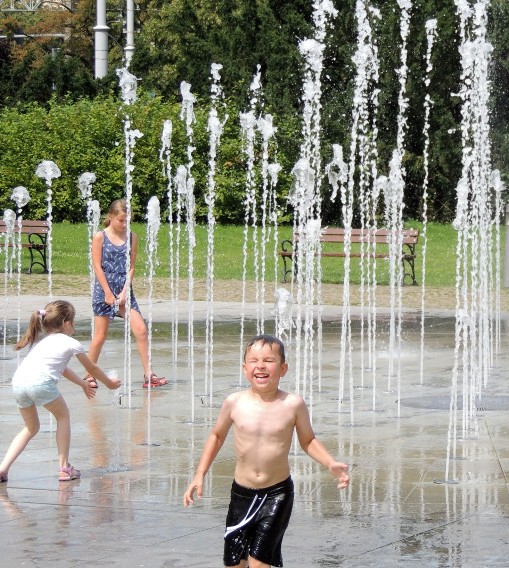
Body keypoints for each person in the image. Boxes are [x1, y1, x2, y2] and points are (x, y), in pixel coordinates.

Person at [183, 334, 349, 568]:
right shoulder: (235, 402)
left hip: (277, 493)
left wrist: (330, 463)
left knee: (260, 563)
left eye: (269, 360)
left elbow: (308, 440)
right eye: (254, 360)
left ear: (283, 369)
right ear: (244, 368)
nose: (260, 365)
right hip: (241, 494)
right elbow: (217, 436)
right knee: (234, 564)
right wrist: (199, 473)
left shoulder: (293, 404)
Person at [0, 300, 122, 483]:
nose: (73, 326)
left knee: (30, 428)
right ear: (66, 324)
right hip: (40, 383)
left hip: (18, 383)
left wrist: (82, 384)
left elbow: (62, 369)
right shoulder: (71, 343)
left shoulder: (44, 343)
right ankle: (64, 468)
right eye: (72, 321)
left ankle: (2, 469)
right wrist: (110, 383)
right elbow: (93, 368)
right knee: (63, 416)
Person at [88, 198, 167, 389]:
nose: (124, 224)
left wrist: (124, 291)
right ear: (111, 217)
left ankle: (149, 375)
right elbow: (97, 266)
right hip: (104, 290)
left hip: (125, 291)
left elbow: (131, 267)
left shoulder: (132, 237)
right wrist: (108, 292)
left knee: (141, 329)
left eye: (127, 221)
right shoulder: (100, 236)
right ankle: (89, 375)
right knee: (100, 336)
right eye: (121, 220)